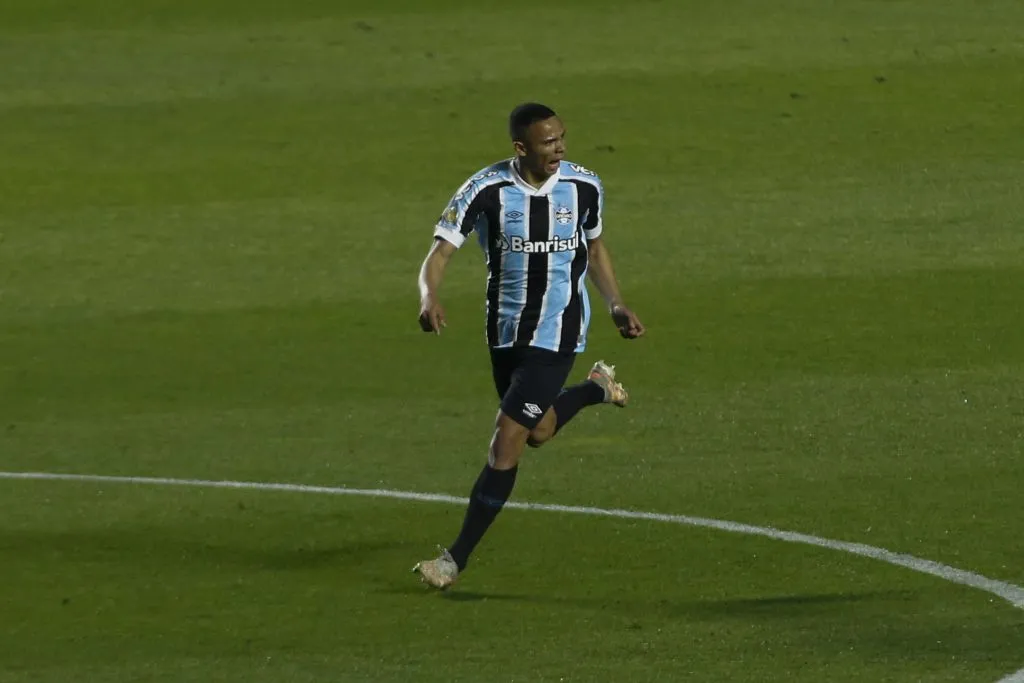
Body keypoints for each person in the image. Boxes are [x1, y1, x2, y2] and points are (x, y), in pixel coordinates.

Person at [412, 102, 645, 589]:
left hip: (560, 328)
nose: (559, 147)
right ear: (521, 148)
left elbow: (595, 248)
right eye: (548, 142)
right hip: (506, 330)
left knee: (507, 440)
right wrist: (430, 295)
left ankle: (454, 560)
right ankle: (596, 388)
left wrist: (616, 305)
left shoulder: (584, 186)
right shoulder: (485, 190)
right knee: (538, 431)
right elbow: (439, 254)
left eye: (562, 137)